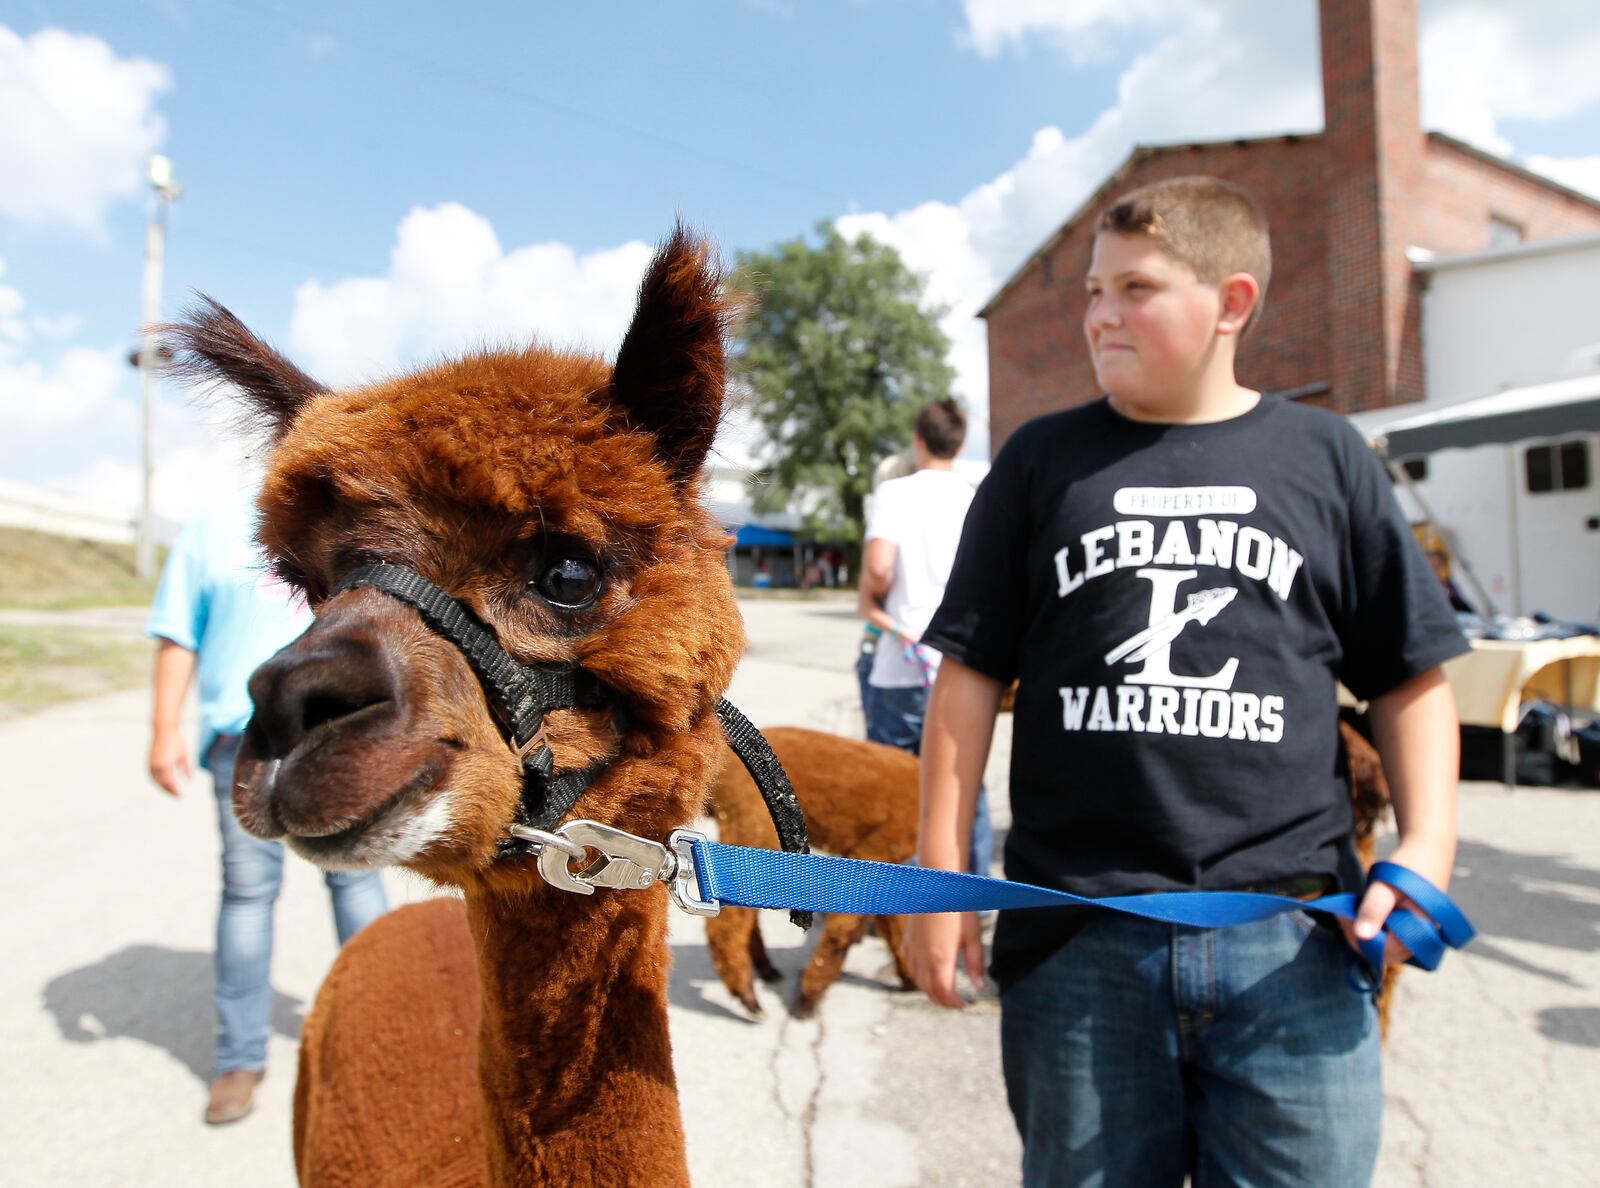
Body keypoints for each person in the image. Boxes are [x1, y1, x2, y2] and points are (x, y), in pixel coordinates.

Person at [905, 176, 1467, 1186]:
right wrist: (937, 880)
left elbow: (1407, 677)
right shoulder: (1041, 463)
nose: (1098, 314)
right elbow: (966, 680)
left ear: (1232, 303)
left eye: (1136, 288)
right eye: (1089, 290)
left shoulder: (1326, 457)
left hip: (1290, 942)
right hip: (1078, 939)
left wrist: (1427, 844)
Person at [146, 485, 389, 1125]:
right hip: (242, 737)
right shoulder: (211, 527)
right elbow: (177, 633)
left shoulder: (343, 521)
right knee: (247, 889)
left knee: (355, 880)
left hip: (338, 729)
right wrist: (164, 728)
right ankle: (240, 1057)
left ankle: (376, 1029)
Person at [857, 399, 993, 878]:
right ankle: (971, 898)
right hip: (961, 665)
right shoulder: (980, 496)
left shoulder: (896, 494)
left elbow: (878, 570)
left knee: (895, 782)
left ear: (918, 441)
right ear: (959, 443)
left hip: (903, 659)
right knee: (965, 783)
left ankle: (903, 894)